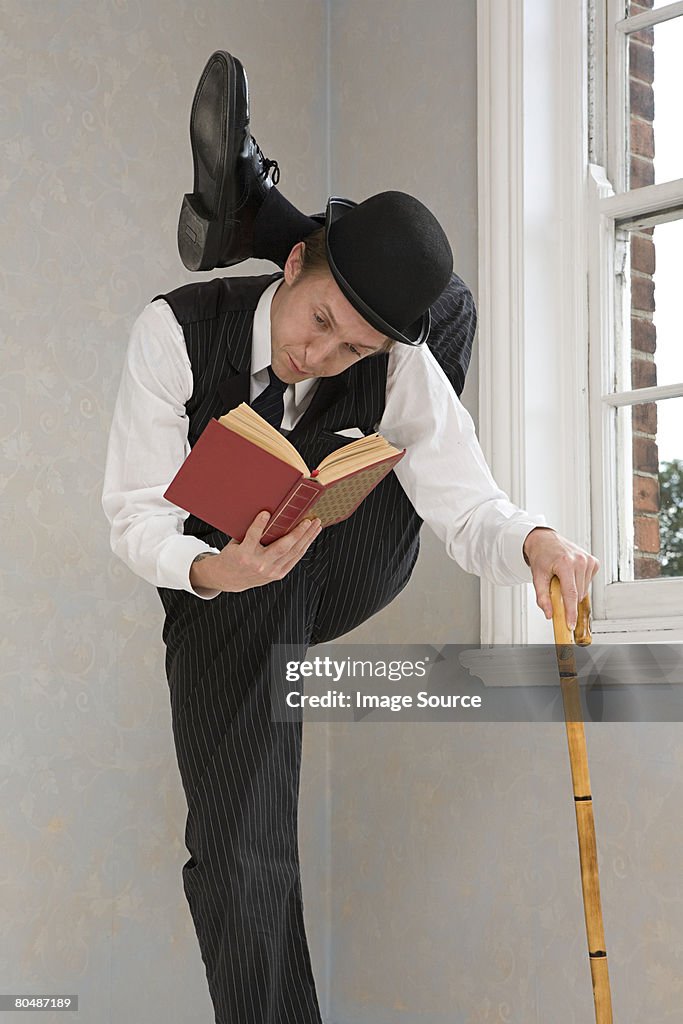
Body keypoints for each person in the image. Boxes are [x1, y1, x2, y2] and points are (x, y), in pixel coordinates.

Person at [102, 50, 599, 1024]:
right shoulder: (172, 332)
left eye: (350, 348)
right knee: (242, 861)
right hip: (225, 596)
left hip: (346, 552)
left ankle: (258, 204)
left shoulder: (391, 362)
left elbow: (462, 501)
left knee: (437, 308)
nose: (317, 354)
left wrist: (535, 540)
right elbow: (133, 513)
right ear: (289, 269)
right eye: (319, 321)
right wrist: (213, 564)